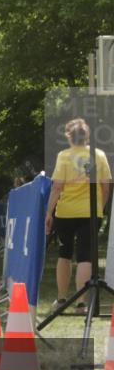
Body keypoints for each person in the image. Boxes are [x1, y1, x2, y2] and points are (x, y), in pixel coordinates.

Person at [45, 118, 111, 313]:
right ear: (88, 136)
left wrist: (49, 212)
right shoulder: (98, 155)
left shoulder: (63, 156)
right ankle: (81, 303)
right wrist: (100, 207)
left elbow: (57, 186)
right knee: (85, 256)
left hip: (65, 213)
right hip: (90, 212)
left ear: (69, 136)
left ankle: (61, 299)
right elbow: (106, 187)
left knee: (64, 253)